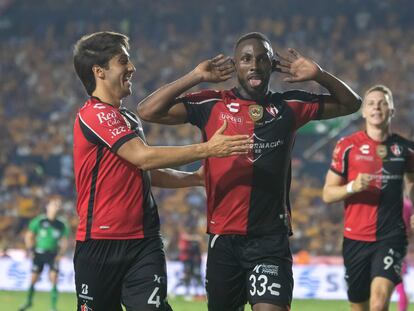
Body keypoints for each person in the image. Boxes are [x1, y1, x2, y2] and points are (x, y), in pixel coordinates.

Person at [137, 32, 361, 311]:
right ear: (236, 65)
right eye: (246, 59)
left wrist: (320, 75)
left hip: (270, 240)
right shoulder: (213, 103)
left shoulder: (289, 105)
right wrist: (195, 76)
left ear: (271, 65)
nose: (254, 64)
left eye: (262, 59)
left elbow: (352, 104)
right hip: (224, 241)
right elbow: (147, 111)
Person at [72, 31, 250, 311]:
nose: (131, 68)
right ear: (99, 72)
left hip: (144, 241)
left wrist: (195, 178)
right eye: (123, 61)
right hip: (100, 242)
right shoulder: (94, 115)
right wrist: (208, 149)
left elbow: (146, 171)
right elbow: (143, 157)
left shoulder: (127, 117)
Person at [322, 85, 414, 311]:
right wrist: (352, 186)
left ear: (391, 110)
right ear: (363, 111)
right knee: (359, 307)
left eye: (383, 103)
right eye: (371, 103)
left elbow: (412, 182)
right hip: (355, 240)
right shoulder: (347, 147)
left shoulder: (405, 149)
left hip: (391, 237)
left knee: (379, 303)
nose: (377, 107)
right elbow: (327, 193)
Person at [19, 196, 69, 311]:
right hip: (39, 253)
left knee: (54, 278)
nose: (55, 208)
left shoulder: (61, 224)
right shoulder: (39, 221)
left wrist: (60, 254)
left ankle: (53, 307)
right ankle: (28, 302)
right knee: (33, 278)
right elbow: (29, 236)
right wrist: (31, 250)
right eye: (53, 205)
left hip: (53, 255)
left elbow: (64, 241)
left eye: (57, 206)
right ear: (47, 207)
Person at [173, 225, 204, 300]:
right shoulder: (184, 237)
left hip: (191, 260)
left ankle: (197, 293)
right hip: (185, 259)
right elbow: (182, 245)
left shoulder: (189, 239)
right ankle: (183, 292)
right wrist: (196, 238)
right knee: (187, 276)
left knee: (192, 276)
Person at [395, 194, 413, 311]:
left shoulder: (384, 201)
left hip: (383, 246)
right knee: (400, 285)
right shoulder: (407, 204)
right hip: (400, 247)